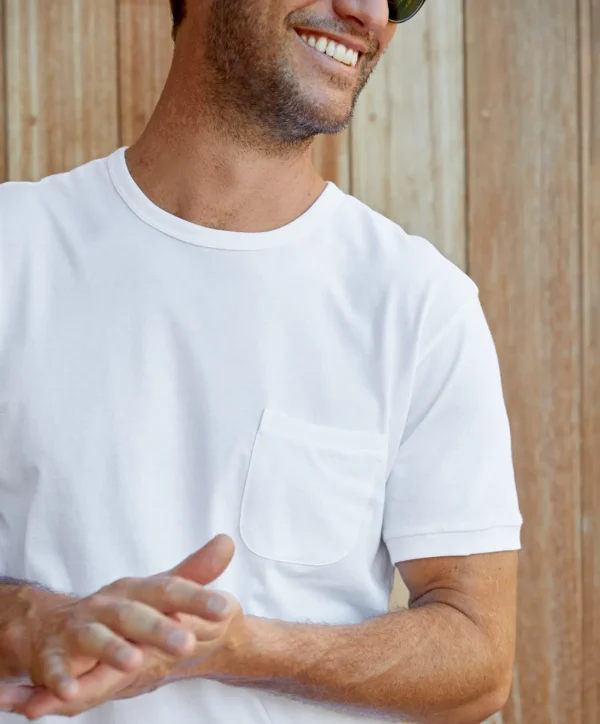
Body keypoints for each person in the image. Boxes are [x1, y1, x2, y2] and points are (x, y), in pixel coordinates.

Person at [0, 0, 523, 721]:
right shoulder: (13, 250)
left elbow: (481, 662)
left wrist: (245, 650)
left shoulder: (421, 307)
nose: (369, 12)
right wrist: (24, 620)